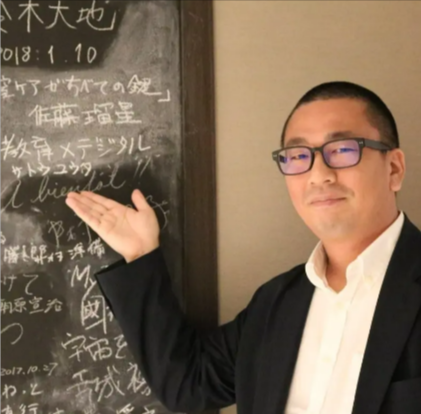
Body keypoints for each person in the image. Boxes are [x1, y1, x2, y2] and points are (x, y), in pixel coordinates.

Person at [65, 81, 421, 414]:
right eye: (298, 156)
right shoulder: (276, 303)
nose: (318, 174)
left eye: (342, 150)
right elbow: (189, 384)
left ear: (394, 169)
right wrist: (141, 254)